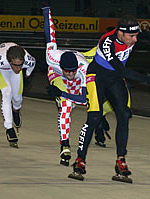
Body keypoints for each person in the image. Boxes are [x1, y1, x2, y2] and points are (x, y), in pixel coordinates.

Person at [68, 15, 141, 183]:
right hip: (97, 77)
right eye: (132, 37)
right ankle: (80, 159)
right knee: (94, 117)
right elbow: (124, 71)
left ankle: (121, 160)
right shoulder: (108, 42)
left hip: (114, 78)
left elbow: (148, 35)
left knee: (123, 115)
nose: (135, 40)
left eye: (137, 35)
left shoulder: (129, 34)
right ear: (121, 33)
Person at [42, 6, 114, 166]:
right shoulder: (52, 58)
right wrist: (46, 10)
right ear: (62, 68)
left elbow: (84, 99)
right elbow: (50, 35)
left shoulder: (84, 70)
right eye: (67, 72)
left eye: (71, 72)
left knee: (92, 100)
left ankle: (100, 118)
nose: (70, 74)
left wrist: (63, 92)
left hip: (83, 68)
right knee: (65, 105)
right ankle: (64, 144)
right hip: (55, 73)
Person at [0, 42, 36, 148]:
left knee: (18, 99)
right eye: (15, 65)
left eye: (20, 65)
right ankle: (9, 128)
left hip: (10, 65)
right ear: (9, 61)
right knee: (7, 93)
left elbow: (32, 65)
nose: (18, 68)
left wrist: (28, 76)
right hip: (2, 69)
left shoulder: (28, 60)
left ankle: (16, 110)